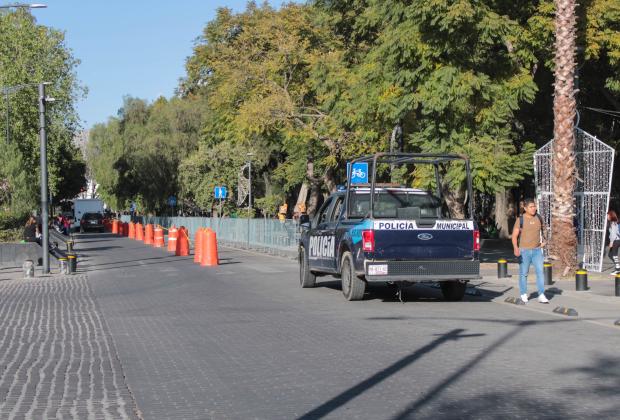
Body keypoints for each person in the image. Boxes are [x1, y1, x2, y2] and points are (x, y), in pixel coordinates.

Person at [511, 198, 549, 303]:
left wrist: (544, 242)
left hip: (537, 251)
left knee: (540, 272)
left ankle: (541, 294)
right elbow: (514, 236)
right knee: (524, 273)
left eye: (534, 206)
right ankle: (523, 293)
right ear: (525, 208)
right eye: (531, 207)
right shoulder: (520, 220)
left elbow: (544, 230)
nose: (534, 208)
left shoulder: (539, 218)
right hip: (524, 251)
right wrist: (515, 248)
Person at [607, 210, 620, 275]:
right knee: (610, 255)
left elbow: (613, 234)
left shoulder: (613, 223)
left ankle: (618, 269)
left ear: (611, 215)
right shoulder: (614, 223)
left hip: (616, 241)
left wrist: (611, 242)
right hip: (616, 240)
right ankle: (618, 267)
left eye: (608, 215)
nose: (607, 217)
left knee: (614, 255)